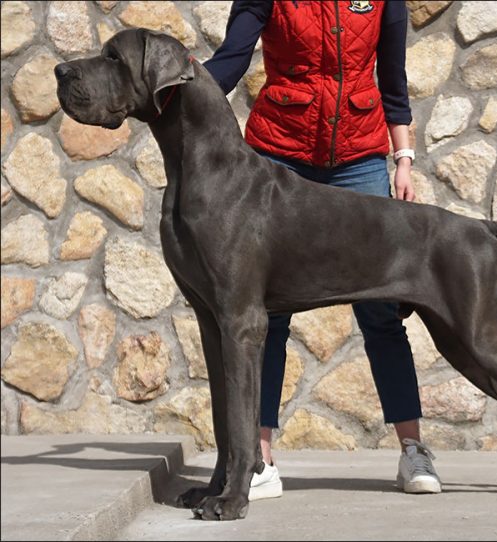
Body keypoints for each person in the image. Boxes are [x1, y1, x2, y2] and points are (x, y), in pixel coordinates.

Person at [204, 0, 441, 501]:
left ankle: (413, 449)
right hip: (277, 156)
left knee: (381, 309)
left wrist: (403, 160)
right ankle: (260, 457)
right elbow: (231, 59)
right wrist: (180, 84)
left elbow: (392, 80)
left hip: (360, 161)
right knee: (264, 312)